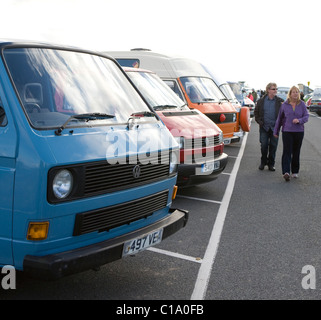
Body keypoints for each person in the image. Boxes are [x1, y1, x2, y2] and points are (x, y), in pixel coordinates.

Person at [273, 85, 309, 181]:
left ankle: (295, 171)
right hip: (287, 131)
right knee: (287, 151)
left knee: (296, 152)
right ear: (290, 94)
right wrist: (276, 131)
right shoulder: (284, 105)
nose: (296, 93)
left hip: (299, 131)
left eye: (297, 92)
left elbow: (306, 116)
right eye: (294, 92)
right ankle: (286, 172)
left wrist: (299, 120)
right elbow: (279, 119)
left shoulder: (302, 104)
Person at [254, 82, 284, 171]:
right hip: (264, 127)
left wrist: (280, 124)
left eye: (276, 89)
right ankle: (263, 162)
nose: (275, 90)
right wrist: (260, 122)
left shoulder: (279, 101)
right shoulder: (261, 101)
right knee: (264, 145)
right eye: (273, 89)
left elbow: (283, 114)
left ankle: (271, 164)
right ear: (268, 90)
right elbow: (256, 113)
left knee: (273, 146)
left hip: (275, 128)